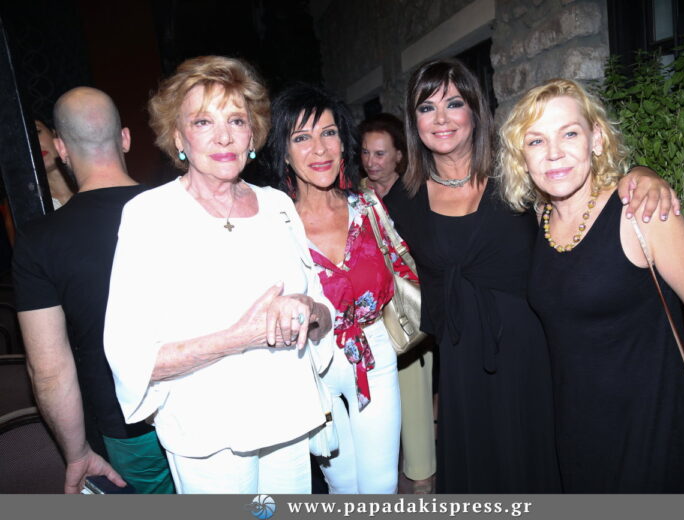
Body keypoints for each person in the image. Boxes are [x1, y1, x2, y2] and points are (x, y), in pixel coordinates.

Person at [383, 58, 679, 493]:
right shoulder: (402, 199)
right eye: (427, 108)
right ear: (414, 123)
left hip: (537, 354)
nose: (441, 118)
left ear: (475, 111)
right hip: (461, 362)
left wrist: (642, 174)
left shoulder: (517, 177)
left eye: (454, 103)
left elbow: (590, 186)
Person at [103, 56, 334, 494]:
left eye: (236, 120)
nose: (224, 136)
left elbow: (324, 313)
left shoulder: (278, 207)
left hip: (287, 415)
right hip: (207, 434)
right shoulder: (149, 216)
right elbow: (132, 360)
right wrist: (239, 337)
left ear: (253, 134)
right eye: (203, 121)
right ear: (179, 136)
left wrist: (309, 309)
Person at [497, 78, 684, 492]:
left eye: (569, 134)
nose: (554, 153)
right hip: (576, 422)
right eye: (536, 141)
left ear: (596, 139)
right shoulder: (541, 218)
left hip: (648, 425)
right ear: (522, 157)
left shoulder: (641, 213)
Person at [13, 87, 173, 493]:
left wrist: (76, 452)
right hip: (203, 407)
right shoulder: (181, 209)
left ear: (61, 149)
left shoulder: (38, 240)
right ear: (125, 138)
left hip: (126, 421)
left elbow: (49, 371)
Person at [265, 83, 416, 494]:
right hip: (309, 363)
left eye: (329, 133)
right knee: (342, 484)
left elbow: (403, 266)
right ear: (284, 152)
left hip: (374, 352)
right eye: (301, 137)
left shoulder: (367, 206)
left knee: (381, 484)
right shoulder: (274, 224)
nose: (320, 149)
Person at [358, 112, 436, 494]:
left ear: (399, 156)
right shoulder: (356, 198)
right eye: (365, 153)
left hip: (411, 309)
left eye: (380, 154)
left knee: (415, 394)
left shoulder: (417, 194)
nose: (372, 161)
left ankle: (422, 477)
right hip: (370, 314)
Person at [35, 119, 75, 209]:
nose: (34, 144)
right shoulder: (28, 205)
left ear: (53, 133)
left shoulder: (96, 178)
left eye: (37, 132)